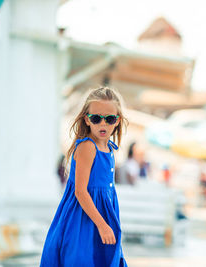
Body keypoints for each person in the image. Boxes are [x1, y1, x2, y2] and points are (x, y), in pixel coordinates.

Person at [40, 87, 129, 266]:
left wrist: (106, 223)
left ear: (118, 121)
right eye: (96, 118)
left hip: (102, 215)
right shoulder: (88, 147)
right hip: (83, 220)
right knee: (82, 259)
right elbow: (80, 192)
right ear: (87, 120)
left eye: (110, 119)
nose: (102, 124)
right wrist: (102, 225)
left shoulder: (110, 149)